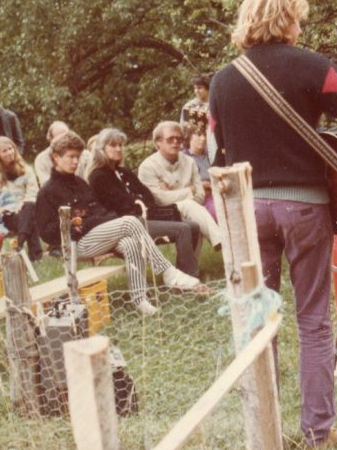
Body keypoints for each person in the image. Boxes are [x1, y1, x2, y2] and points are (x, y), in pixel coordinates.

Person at [210, 0, 337, 450]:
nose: (301, 27)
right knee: (313, 320)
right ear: (287, 19)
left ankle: (265, 433)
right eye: (298, 18)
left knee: (257, 320)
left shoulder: (222, 80)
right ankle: (318, 431)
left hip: (249, 211)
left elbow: (214, 154)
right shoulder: (314, 67)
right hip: (306, 207)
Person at [35, 131, 209, 315]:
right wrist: (76, 225)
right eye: (70, 157)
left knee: (130, 243)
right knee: (130, 222)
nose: (76, 162)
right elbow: (46, 233)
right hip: (74, 244)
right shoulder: (47, 192)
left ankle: (140, 300)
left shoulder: (80, 183)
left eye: (78, 157)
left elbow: (100, 212)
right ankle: (168, 272)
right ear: (56, 157)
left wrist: (92, 222)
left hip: (96, 236)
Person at [88, 128, 202, 278]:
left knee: (193, 226)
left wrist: (137, 199)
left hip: (143, 217)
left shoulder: (123, 171)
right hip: (126, 225)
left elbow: (147, 195)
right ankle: (190, 277)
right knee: (183, 229)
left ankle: (183, 273)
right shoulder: (98, 177)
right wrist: (136, 199)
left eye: (120, 145)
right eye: (113, 145)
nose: (118, 149)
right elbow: (122, 205)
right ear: (101, 149)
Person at [138, 121, 222, 251]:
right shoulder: (147, 167)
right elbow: (159, 199)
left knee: (193, 215)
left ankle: (191, 265)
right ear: (158, 142)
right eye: (170, 139)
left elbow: (200, 196)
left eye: (179, 138)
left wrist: (172, 193)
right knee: (189, 206)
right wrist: (189, 190)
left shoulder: (189, 162)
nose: (176, 142)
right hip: (159, 214)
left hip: (189, 210)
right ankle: (221, 241)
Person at [0, 137, 42, 260]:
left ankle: (19, 244)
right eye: (4, 151)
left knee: (29, 208)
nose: (9, 152)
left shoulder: (25, 169)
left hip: (26, 207)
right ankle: (34, 255)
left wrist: (22, 203)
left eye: (10, 148)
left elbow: (33, 193)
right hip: (5, 213)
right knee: (29, 219)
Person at [35, 121, 92, 185]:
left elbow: (89, 181)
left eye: (67, 136)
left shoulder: (86, 155)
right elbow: (46, 184)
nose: (64, 140)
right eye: (60, 137)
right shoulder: (41, 159)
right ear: (50, 139)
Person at [182, 127, 215, 218]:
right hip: (198, 199)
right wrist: (201, 184)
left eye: (205, 135)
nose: (203, 138)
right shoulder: (183, 158)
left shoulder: (210, 155)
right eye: (199, 135)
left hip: (215, 194)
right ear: (189, 137)